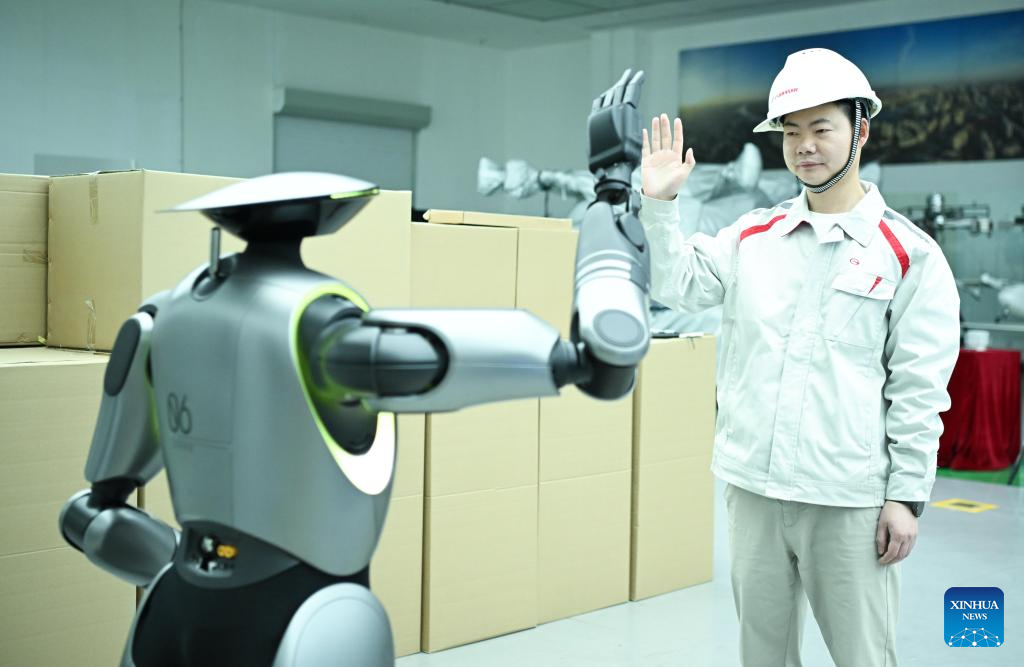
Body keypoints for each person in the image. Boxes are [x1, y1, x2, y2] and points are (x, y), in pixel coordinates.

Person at [638, 48, 961, 666]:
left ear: (860, 131)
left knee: (863, 656)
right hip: (753, 489)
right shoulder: (751, 238)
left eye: (821, 128)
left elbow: (919, 389)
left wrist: (905, 495)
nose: (804, 146)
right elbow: (675, 285)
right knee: (762, 655)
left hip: (847, 499)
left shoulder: (909, 255)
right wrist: (660, 207)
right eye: (790, 132)